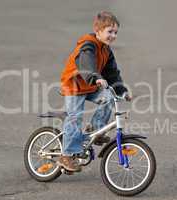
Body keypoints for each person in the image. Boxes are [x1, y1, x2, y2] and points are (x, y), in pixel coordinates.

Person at [57, 11, 131, 172]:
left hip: (89, 85)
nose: (113, 35)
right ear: (98, 31)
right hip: (75, 86)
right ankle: (67, 155)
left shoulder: (106, 50)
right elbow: (86, 62)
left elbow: (112, 73)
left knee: (110, 97)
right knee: (75, 117)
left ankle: (95, 129)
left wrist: (122, 91)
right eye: (109, 31)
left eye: (116, 32)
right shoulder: (88, 45)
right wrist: (96, 76)